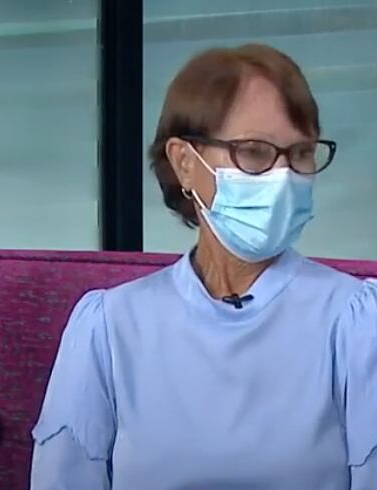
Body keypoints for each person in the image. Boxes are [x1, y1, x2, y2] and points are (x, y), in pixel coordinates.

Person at [31, 44, 377, 489]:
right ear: (185, 164)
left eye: (301, 154)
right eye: (255, 152)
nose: (284, 176)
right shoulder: (108, 329)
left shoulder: (358, 323)